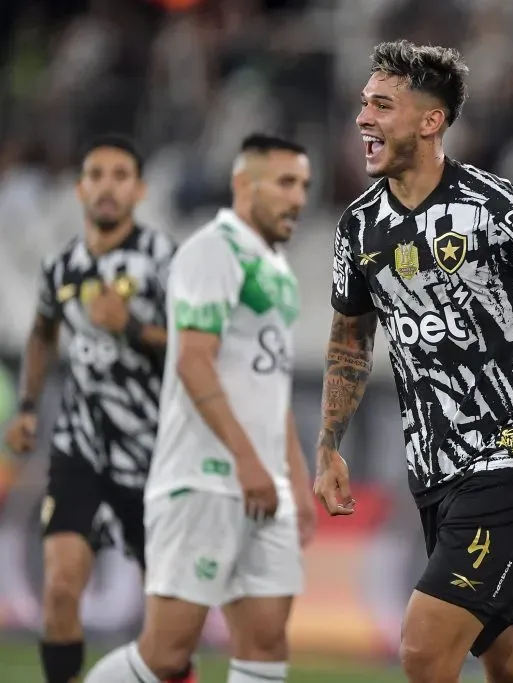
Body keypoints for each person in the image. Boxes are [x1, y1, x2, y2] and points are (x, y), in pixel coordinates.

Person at [313, 40, 513, 683]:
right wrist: (330, 444)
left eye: (381, 106)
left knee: (424, 652)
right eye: (364, 104)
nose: (363, 119)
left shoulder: (499, 207)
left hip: (511, 455)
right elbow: (350, 339)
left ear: (430, 120)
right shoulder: (358, 226)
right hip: (432, 470)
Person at [83, 133, 318, 683]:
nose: (298, 198)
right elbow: (192, 362)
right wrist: (247, 460)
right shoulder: (212, 251)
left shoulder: (276, 269)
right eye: (285, 183)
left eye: (304, 185)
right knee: (166, 654)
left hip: (264, 486)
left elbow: (270, 386)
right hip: (204, 478)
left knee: (266, 642)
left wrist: (294, 477)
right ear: (244, 184)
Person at [1, 136, 192, 683]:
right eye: (97, 175)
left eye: (120, 175)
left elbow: (196, 346)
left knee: (170, 621)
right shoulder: (63, 265)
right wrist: (29, 406)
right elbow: (42, 331)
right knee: (61, 589)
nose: (107, 187)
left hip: (153, 455)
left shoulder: (165, 260)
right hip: (80, 449)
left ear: (140, 190)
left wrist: (129, 326)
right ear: (81, 189)